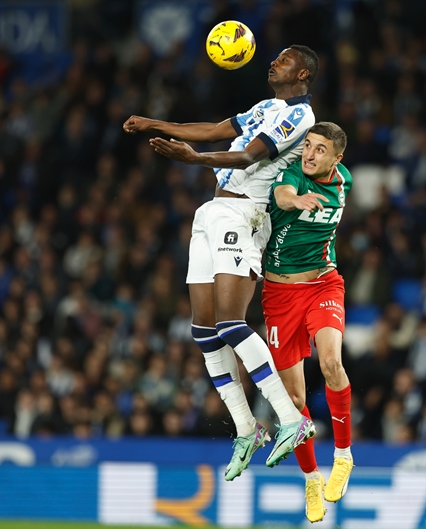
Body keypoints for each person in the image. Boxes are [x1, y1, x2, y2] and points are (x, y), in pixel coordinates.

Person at [123, 46, 319, 479]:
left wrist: (195, 159)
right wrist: (155, 122)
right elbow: (214, 129)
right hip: (212, 212)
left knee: (232, 322)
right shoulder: (268, 105)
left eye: (283, 60)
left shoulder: (300, 118)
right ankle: (247, 429)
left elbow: (250, 155)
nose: (272, 62)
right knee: (204, 330)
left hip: (245, 213)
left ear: (302, 73)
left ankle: (292, 419)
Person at [262, 122, 354, 523]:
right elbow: (282, 194)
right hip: (280, 296)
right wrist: (297, 200)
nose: (310, 154)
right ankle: (311, 478)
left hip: (322, 284)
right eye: (308, 146)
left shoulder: (344, 181)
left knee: (331, 362)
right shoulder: (294, 174)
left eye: (320, 149)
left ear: (337, 159)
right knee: (294, 400)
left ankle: (344, 454)